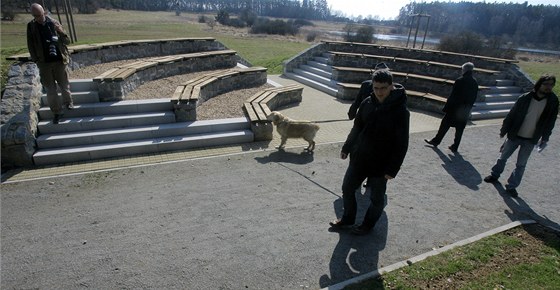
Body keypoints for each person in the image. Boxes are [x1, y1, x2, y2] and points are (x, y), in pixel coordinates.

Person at [330, 69, 410, 235]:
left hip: (381, 164)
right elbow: (357, 127)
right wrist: (347, 147)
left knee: (376, 199)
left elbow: (401, 143)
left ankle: (367, 225)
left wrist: (392, 169)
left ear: (391, 86)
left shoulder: (401, 112)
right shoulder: (367, 102)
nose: (379, 92)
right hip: (360, 158)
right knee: (347, 188)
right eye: (376, 88)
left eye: (383, 88)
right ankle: (348, 219)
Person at [483, 74, 558, 197]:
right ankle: (494, 175)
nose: (549, 87)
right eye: (546, 84)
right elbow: (511, 115)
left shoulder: (553, 101)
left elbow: (551, 121)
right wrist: (504, 130)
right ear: (539, 84)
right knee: (503, 157)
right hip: (515, 134)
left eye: (551, 85)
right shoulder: (525, 98)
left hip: (531, 139)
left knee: (521, 164)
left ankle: (512, 186)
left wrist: (545, 138)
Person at [27, 3, 73, 124]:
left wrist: (60, 31)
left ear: (44, 12)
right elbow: (30, 44)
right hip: (44, 63)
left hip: (59, 60)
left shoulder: (54, 23)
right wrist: (36, 59)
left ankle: (68, 103)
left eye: (39, 15)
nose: (38, 18)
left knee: (64, 85)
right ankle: (57, 112)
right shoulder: (31, 26)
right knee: (51, 90)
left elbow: (67, 41)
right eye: (35, 16)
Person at [424, 62, 479, 152]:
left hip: (454, 109)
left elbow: (453, 96)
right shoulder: (474, 82)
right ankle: (455, 146)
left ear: (464, 70)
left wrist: (447, 108)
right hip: (465, 110)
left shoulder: (460, 80)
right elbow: (474, 97)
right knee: (460, 130)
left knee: (444, 125)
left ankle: (436, 141)